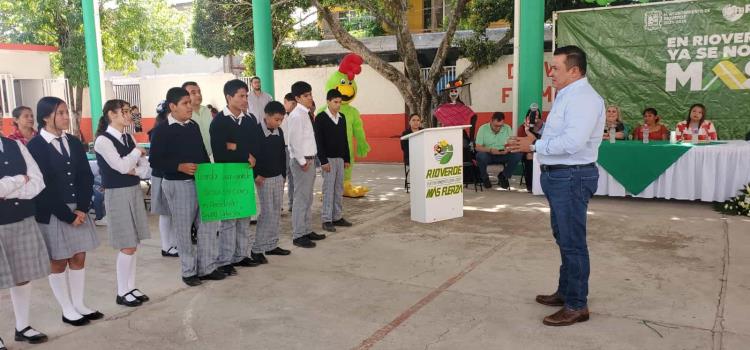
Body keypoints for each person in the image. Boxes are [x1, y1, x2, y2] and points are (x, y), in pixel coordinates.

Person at [507, 45, 605, 327]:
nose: (550, 73)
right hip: (560, 175)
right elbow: (561, 135)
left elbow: (573, 144)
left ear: (575, 70)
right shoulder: (567, 95)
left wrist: (534, 144)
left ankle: (577, 305)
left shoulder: (584, 98)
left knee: (573, 242)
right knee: (564, 237)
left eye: (556, 68)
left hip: (572, 176)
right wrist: (537, 132)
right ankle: (566, 291)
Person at [27, 96, 102, 327]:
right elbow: (41, 186)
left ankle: (79, 304)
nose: (65, 117)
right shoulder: (35, 146)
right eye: (60, 112)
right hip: (53, 212)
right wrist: (67, 215)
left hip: (77, 208)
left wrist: (80, 208)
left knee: (79, 255)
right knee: (58, 260)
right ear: (46, 116)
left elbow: (85, 177)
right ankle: (66, 308)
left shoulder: (73, 141)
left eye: (66, 112)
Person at [149, 87, 224, 286]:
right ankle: (188, 271)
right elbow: (155, 161)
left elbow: (201, 153)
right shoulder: (161, 130)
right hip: (177, 184)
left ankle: (207, 267)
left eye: (190, 103)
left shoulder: (193, 126)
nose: (190, 107)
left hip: (201, 182)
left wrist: (210, 176)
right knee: (183, 228)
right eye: (185, 103)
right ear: (172, 106)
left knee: (208, 224)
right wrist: (178, 166)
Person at [94, 99, 152, 308]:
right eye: (125, 111)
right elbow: (120, 166)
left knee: (133, 243)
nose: (129, 115)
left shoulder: (128, 137)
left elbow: (145, 169)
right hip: (117, 193)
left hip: (133, 190)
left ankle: (131, 286)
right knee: (126, 244)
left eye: (129, 111)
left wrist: (134, 167)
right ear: (112, 114)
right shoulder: (103, 140)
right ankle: (121, 291)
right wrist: (136, 154)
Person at [0, 131, 50, 346]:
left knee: (23, 275)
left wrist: (7, 191)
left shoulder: (15, 145)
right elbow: (26, 179)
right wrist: (19, 180)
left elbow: (38, 182)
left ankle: (22, 326)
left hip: (21, 218)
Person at [209, 79, 260, 274]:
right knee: (229, 220)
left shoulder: (249, 120)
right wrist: (243, 152)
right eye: (241, 95)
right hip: (228, 175)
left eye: (246, 95)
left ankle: (241, 255)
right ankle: (226, 260)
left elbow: (254, 145)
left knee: (244, 216)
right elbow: (220, 152)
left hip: (246, 173)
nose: (245, 99)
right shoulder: (219, 122)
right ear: (229, 97)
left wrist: (237, 148)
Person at [249, 101, 292, 263]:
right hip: (263, 179)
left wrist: (283, 174)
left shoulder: (279, 132)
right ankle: (257, 248)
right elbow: (252, 156)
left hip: (278, 177)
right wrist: (256, 174)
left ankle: (271, 245)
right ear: (266, 116)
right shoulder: (256, 132)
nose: (279, 123)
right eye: (276, 119)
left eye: (281, 120)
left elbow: (282, 155)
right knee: (267, 213)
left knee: (276, 211)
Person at [286, 81, 326, 248]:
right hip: (302, 162)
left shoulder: (306, 113)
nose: (310, 98)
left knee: (308, 198)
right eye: (306, 96)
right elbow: (293, 142)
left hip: (309, 160)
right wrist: (302, 161)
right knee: (301, 199)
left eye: (310, 94)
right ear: (297, 98)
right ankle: (298, 234)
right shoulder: (296, 115)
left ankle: (306, 229)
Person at [315, 89, 353, 233]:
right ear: (328, 101)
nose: (338, 105)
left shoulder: (342, 117)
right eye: (335, 102)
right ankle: (326, 219)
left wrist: (347, 157)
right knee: (328, 189)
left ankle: (337, 216)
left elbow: (345, 139)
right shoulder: (321, 118)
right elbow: (318, 141)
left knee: (339, 188)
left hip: (340, 159)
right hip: (328, 160)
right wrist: (323, 161)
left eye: (340, 102)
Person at [149, 101, 178, 258]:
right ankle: (166, 246)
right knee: (165, 212)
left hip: (170, 175)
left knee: (172, 212)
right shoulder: (158, 131)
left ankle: (173, 243)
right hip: (161, 175)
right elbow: (156, 159)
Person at [475, 112, 523, 189]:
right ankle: (484, 178)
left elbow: (512, 144)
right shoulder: (483, 128)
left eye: (500, 126)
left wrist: (508, 149)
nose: (498, 128)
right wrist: (490, 150)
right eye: (496, 126)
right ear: (491, 121)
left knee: (518, 155)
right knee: (480, 156)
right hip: (489, 154)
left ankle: (504, 176)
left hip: (503, 153)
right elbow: (477, 147)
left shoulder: (507, 128)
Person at [182, 81, 213, 157]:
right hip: (194, 158)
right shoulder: (183, 115)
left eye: (199, 92)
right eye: (193, 93)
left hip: (212, 156)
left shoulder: (207, 111)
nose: (198, 95)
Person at [518, 104, 545, 192]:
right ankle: (530, 186)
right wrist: (527, 129)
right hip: (527, 151)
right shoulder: (523, 127)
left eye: (537, 115)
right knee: (530, 155)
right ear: (528, 116)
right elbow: (521, 143)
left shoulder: (544, 127)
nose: (535, 117)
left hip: (542, 149)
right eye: (533, 115)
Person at [280, 93, 296, 212]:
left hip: (294, 149)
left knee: (293, 176)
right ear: (285, 102)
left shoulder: (297, 116)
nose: (294, 106)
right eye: (292, 104)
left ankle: (292, 203)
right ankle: (279, 204)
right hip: (283, 148)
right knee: (282, 176)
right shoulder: (280, 116)